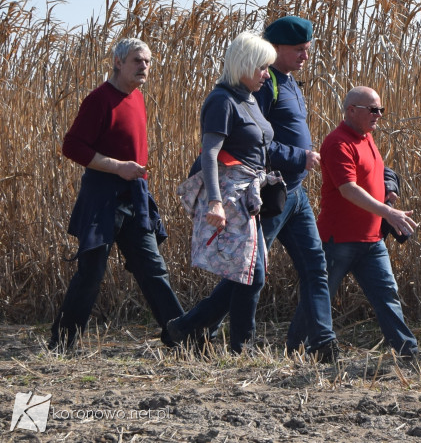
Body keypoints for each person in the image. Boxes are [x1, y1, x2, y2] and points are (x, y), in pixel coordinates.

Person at [51, 38, 184, 352]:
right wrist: (117, 167)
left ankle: (183, 337)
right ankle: (62, 344)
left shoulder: (137, 98)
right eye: (137, 60)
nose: (144, 67)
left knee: (153, 269)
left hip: (135, 197)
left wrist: (131, 176)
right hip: (102, 198)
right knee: (91, 273)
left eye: (148, 61)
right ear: (118, 63)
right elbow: (71, 147)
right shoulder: (99, 99)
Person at [167, 31, 277, 354]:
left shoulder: (250, 98)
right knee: (251, 274)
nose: (265, 75)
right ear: (244, 63)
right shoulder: (221, 100)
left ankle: (187, 328)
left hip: (248, 194)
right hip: (229, 196)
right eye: (261, 68)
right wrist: (215, 201)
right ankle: (241, 346)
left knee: (247, 272)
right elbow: (209, 155)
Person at [252, 16, 340, 361]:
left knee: (315, 267)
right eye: (298, 49)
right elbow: (253, 143)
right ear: (275, 49)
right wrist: (297, 156)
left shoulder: (290, 83)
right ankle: (198, 327)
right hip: (272, 194)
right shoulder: (263, 84)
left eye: (308, 49)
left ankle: (322, 343)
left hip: (296, 194)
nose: (305, 55)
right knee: (251, 269)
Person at [318, 86, 420, 358]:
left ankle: (407, 352)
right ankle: (299, 346)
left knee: (387, 295)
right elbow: (348, 189)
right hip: (338, 240)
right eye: (373, 109)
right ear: (351, 110)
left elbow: (375, 169)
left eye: (380, 110)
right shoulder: (338, 142)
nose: (379, 115)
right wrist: (389, 213)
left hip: (372, 240)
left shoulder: (366, 138)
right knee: (320, 298)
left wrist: (388, 184)